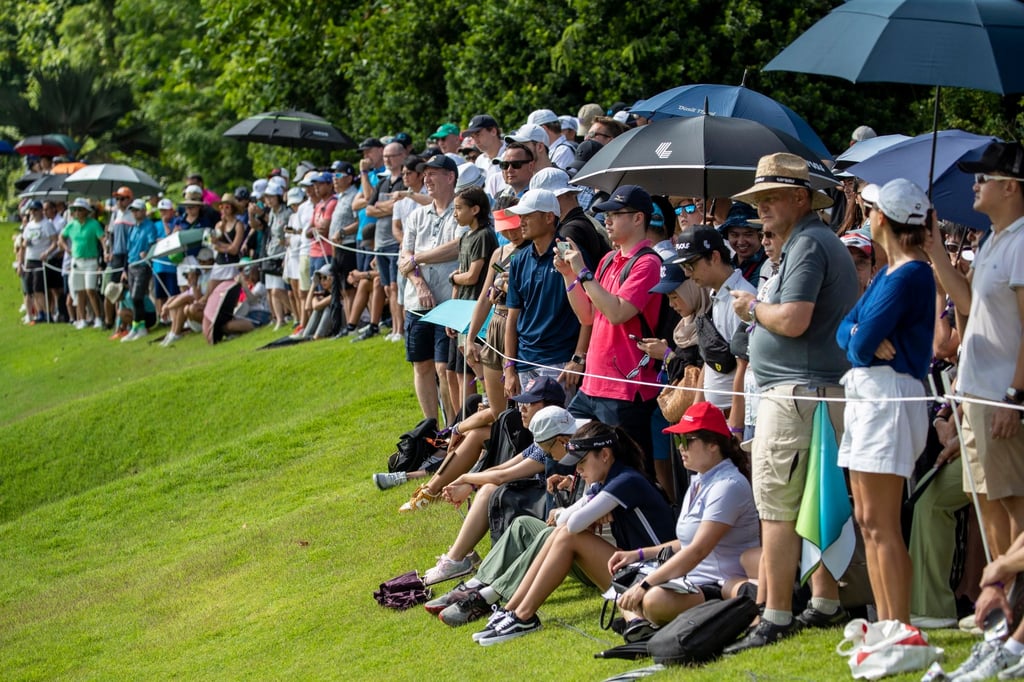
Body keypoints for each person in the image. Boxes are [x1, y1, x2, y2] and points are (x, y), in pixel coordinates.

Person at [726, 152, 858, 652]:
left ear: (800, 198)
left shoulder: (808, 244)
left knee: (778, 509)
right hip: (809, 393)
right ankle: (822, 602)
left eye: (769, 197)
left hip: (800, 394)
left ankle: (776, 613)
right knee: (813, 502)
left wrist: (751, 307)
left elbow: (795, 319)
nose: (760, 207)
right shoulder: (810, 241)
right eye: (757, 198)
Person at [474, 421, 675, 645]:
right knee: (561, 534)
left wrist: (586, 513)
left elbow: (573, 524)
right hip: (639, 569)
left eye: (582, 462)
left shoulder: (624, 481)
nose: (577, 470)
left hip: (662, 572)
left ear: (605, 455)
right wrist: (588, 511)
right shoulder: (607, 482)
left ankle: (523, 616)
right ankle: (512, 611)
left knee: (569, 536)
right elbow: (564, 519)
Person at [835, 179, 935, 625]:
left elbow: (857, 343)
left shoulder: (912, 271)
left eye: (871, 208)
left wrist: (860, 337)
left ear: (883, 219)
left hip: (889, 397)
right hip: (870, 395)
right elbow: (847, 330)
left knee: (881, 520)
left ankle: (899, 624)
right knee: (867, 518)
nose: (867, 214)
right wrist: (861, 336)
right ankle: (886, 623)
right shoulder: (888, 273)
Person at [929, 142, 1024, 565]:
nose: (975, 184)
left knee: (1014, 507)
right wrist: (933, 249)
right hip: (975, 393)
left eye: (984, 177)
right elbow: (966, 304)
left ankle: (1017, 612)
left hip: (1001, 395)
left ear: (1011, 187)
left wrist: (1014, 396)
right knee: (985, 503)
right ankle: (999, 604)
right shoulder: (991, 241)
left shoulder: (1021, 243)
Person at [609, 402, 759, 632]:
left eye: (686, 440)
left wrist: (648, 582)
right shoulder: (700, 479)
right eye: (678, 441)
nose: (680, 448)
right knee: (625, 580)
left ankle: (643, 620)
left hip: (719, 582)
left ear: (713, 445)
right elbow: (687, 542)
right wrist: (638, 554)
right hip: (693, 580)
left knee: (652, 599)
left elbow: (698, 549)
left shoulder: (728, 485)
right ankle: (639, 624)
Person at [420, 393, 576, 586]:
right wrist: (470, 483)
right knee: (489, 489)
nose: (522, 408)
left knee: (491, 492)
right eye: (522, 402)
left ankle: (467, 566)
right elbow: (504, 468)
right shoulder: (547, 437)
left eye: (531, 402)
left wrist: (465, 478)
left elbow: (503, 476)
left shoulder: (554, 440)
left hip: (560, 514)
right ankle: (466, 564)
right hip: (555, 507)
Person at [556, 184, 663, 456]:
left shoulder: (648, 263)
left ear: (638, 218)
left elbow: (617, 313)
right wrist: (570, 275)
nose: (607, 220)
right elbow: (587, 315)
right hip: (593, 384)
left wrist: (583, 272)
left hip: (625, 389)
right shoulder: (607, 259)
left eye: (615, 213)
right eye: (607, 214)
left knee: (624, 467)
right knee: (566, 454)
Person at [398, 154, 466, 424]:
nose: (425, 178)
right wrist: (419, 281)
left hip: (449, 302)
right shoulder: (416, 215)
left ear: (450, 177)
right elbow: (405, 256)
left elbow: (457, 246)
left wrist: (419, 258)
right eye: (424, 173)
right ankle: (430, 426)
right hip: (417, 301)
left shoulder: (461, 211)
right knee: (422, 365)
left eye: (432, 173)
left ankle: (452, 427)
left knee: (444, 367)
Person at [60, 197, 106, 329]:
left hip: (91, 261)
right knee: (79, 291)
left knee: (90, 289)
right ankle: (83, 319)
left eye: (80, 209)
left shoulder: (94, 224)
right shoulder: (71, 224)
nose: (77, 212)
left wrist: (106, 252)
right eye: (75, 210)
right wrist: (66, 248)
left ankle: (98, 318)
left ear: (86, 211)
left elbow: (102, 238)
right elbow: (61, 237)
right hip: (76, 261)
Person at [121, 199, 159, 342]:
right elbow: (128, 249)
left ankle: (140, 327)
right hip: (131, 265)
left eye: (137, 210)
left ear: (143, 211)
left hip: (143, 265)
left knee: (137, 296)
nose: (135, 213)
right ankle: (136, 327)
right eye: (133, 211)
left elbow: (152, 244)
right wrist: (125, 269)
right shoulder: (132, 228)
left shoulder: (149, 226)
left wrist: (147, 253)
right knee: (133, 297)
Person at [18, 200, 58, 323]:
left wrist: (47, 253)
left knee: (39, 289)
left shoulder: (47, 224)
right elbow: (23, 246)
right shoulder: (29, 225)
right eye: (31, 210)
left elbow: (54, 242)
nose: (33, 212)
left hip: (40, 260)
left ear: (41, 210)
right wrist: (20, 263)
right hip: (29, 259)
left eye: (35, 210)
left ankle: (46, 314)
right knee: (29, 290)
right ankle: (38, 313)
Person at [208, 193, 245, 290]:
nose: (223, 210)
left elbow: (235, 249)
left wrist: (219, 246)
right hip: (219, 264)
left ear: (232, 208)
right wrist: (225, 246)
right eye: (221, 207)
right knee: (210, 293)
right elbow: (212, 242)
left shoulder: (238, 225)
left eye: (227, 207)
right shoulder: (218, 225)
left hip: (232, 265)